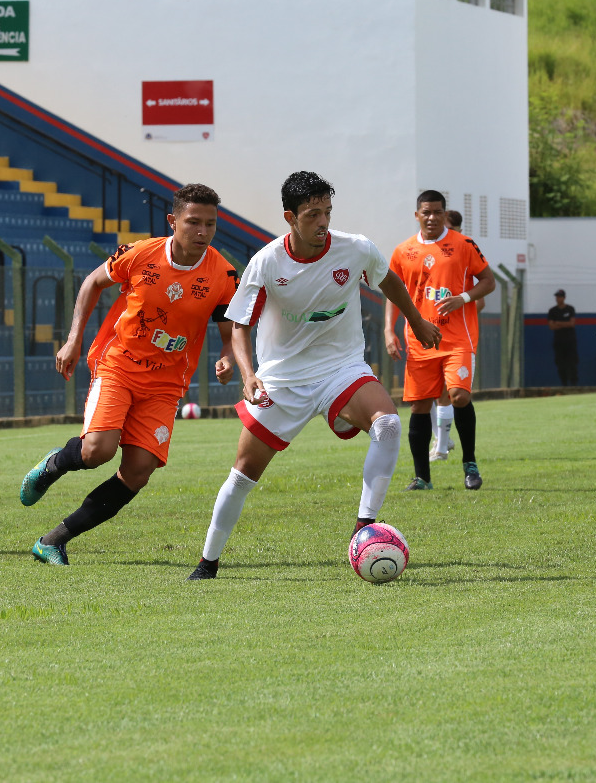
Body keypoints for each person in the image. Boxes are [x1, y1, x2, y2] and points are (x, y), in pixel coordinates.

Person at [186, 171, 442, 581]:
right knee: (242, 475)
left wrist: (417, 320)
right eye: (312, 214)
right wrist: (248, 375)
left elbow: (389, 281)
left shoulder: (354, 249)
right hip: (283, 380)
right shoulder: (267, 262)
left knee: (389, 424)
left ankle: (364, 528)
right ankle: (208, 561)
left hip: (341, 368)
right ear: (290, 217)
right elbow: (239, 325)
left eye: (327, 212)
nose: (322, 222)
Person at [19, 183, 238, 566]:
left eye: (210, 224)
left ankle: (53, 540)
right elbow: (92, 283)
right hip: (119, 366)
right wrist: (72, 340)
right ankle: (54, 464)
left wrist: (226, 355)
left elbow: (228, 328)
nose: (202, 232)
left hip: (166, 384)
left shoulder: (222, 273)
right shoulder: (141, 254)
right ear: (173, 221)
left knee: (138, 472)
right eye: (193, 223)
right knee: (97, 451)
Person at [385, 190, 496, 491]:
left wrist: (463, 297)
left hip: (457, 339)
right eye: (426, 212)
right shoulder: (402, 251)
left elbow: (489, 281)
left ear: (445, 215)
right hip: (419, 341)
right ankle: (422, 477)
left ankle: (470, 465)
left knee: (459, 396)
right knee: (420, 406)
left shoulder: (463, 245)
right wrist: (388, 330)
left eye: (437, 212)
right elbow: (394, 294)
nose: (432, 217)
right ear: (417, 214)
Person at [428, 210, 485, 462]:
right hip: (431, 333)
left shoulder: (464, 251)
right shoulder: (430, 253)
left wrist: (459, 304)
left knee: (449, 394)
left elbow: (480, 301)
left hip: (457, 337)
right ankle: (442, 440)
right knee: (430, 394)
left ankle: (442, 446)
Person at [549, 289, 579, 386]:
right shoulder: (552, 311)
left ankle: (573, 383)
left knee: (572, 363)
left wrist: (558, 323)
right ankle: (564, 382)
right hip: (559, 342)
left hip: (570, 341)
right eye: (557, 297)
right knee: (560, 364)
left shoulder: (570, 309)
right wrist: (564, 324)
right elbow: (551, 326)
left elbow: (571, 324)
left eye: (560, 296)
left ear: (564, 298)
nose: (558, 298)